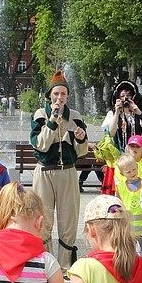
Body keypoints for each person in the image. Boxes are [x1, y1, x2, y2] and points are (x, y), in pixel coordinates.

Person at [30, 70, 90, 269]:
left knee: (69, 218)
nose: (59, 98)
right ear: (49, 96)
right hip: (45, 172)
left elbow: (81, 152)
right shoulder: (40, 114)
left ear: (67, 96)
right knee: (43, 217)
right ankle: (46, 265)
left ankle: (65, 266)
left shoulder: (75, 116)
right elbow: (41, 145)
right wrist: (52, 122)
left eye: (63, 94)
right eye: (56, 94)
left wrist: (81, 138)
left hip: (68, 172)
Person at [103, 80, 142, 152]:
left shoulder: (141, 113)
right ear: (117, 98)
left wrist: (139, 113)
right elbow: (111, 133)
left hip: (136, 153)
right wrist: (117, 113)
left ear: (134, 97)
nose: (125, 98)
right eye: (122, 96)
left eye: (128, 95)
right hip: (119, 155)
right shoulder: (112, 114)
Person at [114, 155, 142, 237]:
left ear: (137, 167)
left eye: (134, 169)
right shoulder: (120, 187)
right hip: (128, 228)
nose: (132, 173)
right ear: (122, 173)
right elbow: (117, 203)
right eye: (128, 172)